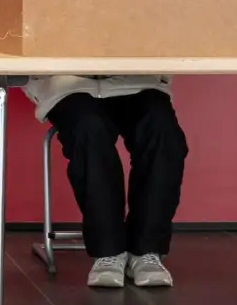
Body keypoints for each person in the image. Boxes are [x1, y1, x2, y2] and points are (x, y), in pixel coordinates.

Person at [25, 75, 188, 289]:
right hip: (71, 85)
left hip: (138, 81)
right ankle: (108, 251)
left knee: (164, 133)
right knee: (89, 131)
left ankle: (146, 249)